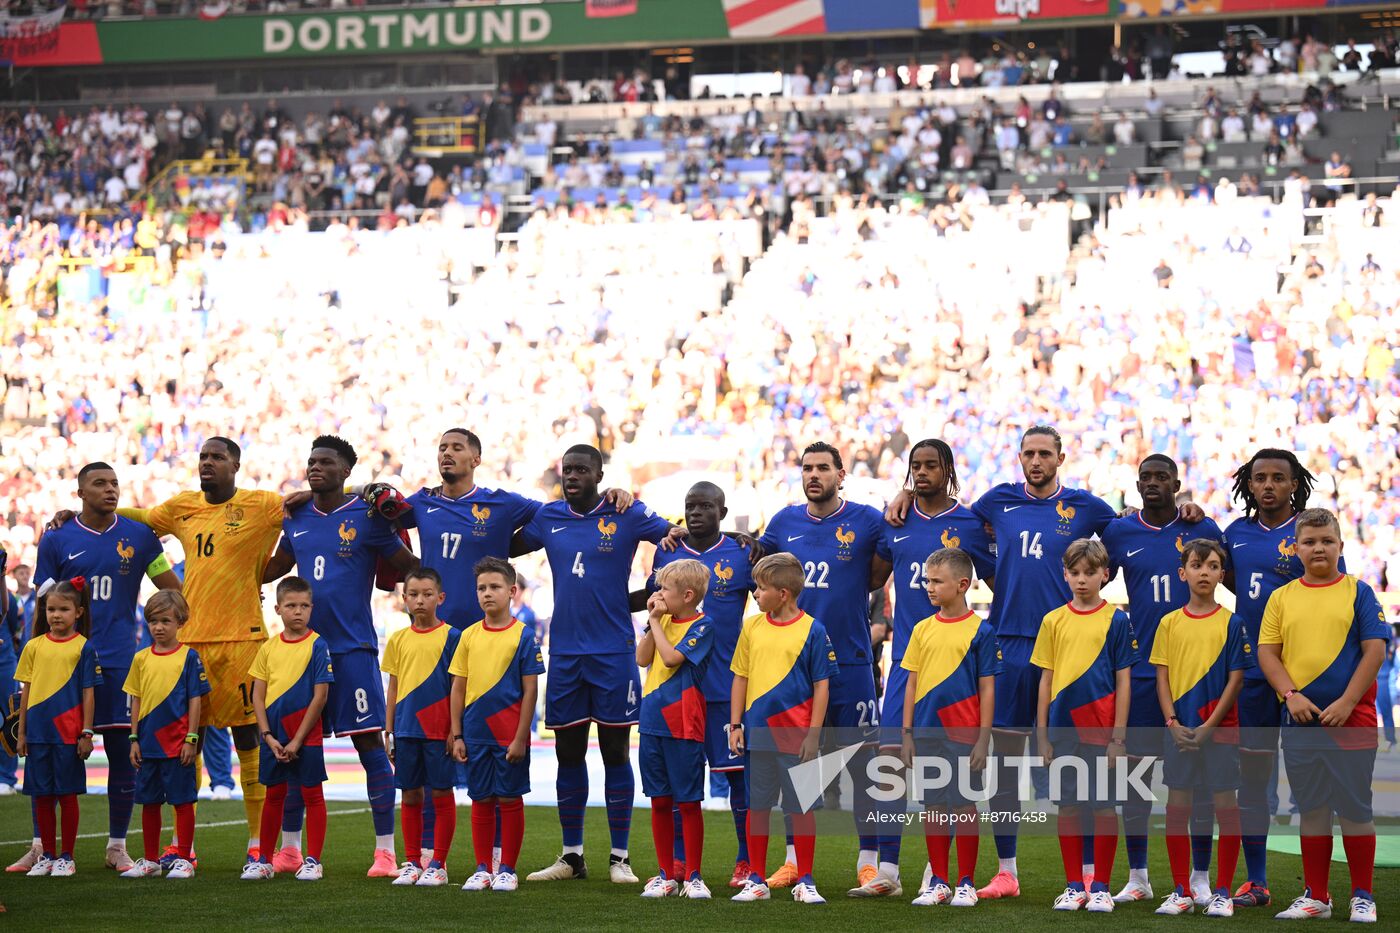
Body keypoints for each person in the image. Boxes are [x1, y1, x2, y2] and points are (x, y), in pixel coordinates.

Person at [50, 438, 288, 861]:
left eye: (217, 457)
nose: (208, 463)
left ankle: (258, 846)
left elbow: (303, 513)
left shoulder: (264, 504)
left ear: (236, 463)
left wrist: (266, 574)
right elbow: (141, 517)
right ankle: (185, 847)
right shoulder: (183, 505)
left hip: (243, 639)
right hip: (191, 639)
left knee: (248, 737)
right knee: (183, 741)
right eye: (203, 457)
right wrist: (83, 516)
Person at [515, 444, 678, 883]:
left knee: (614, 752)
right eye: (567, 469)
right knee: (568, 753)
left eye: (581, 470)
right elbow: (508, 543)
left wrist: (646, 597)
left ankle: (620, 858)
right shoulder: (549, 517)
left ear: (599, 474)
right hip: (566, 652)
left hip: (613, 652)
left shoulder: (626, 512)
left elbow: (674, 539)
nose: (572, 476)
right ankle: (572, 857)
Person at [261, 436, 419, 877]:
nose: (315, 468)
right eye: (311, 461)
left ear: (346, 471)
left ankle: (385, 852)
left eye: (325, 462)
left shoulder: (367, 517)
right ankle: (291, 850)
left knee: (369, 744)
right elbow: (277, 566)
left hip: (351, 647)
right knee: (295, 749)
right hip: (300, 653)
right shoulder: (295, 518)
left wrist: (426, 592)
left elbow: (407, 563)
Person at [29, 462, 181, 872]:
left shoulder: (139, 537)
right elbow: (43, 605)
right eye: (100, 484)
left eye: (115, 483)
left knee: (120, 753)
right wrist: (34, 659)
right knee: (50, 755)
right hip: (62, 665)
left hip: (118, 662)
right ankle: (42, 846)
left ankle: (116, 846)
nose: (110, 490)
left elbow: (170, 587)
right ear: (80, 492)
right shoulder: (57, 537)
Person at [757, 441, 894, 895]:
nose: (813, 475)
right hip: (795, 669)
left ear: (841, 475)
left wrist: (907, 496)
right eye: (807, 468)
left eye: (823, 468)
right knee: (798, 770)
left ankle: (869, 863)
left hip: (853, 661)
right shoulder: (784, 522)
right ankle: (794, 862)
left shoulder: (868, 521)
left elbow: (879, 573)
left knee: (865, 768)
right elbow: (755, 571)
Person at [1100, 454, 1225, 905]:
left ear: (1177, 483)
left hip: (1195, 677)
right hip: (1142, 674)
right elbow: (1091, 574)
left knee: (1195, 784)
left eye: (1161, 477)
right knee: (1135, 780)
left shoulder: (1202, 528)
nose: (1152, 483)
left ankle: (1198, 876)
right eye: (1145, 478)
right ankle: (1138, 876)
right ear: (1137, 485)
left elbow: (1229, 580)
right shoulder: (1118, 531)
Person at [1256, 509, 1387, 923]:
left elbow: (1375, 650)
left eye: (1327, 541)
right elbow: (1267, 653)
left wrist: (1348, 701)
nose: (1318, 548)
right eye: (1309, 542)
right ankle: (1317, 896)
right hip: (1301, 723)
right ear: (1295, 549)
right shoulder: (1282, 597)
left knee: (1354, 809)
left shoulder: (1359, 591)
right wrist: (1290, 694)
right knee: (1311, 809)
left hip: (1353, 721)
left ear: (1341, 547)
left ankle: (1362, 896)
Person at [879, 439, 995, 895]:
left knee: (955, 778)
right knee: (892, 764)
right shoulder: (894, 520)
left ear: (948, 469)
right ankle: (887, 870)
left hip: (956, 667)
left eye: (932, 465)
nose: (922, 472)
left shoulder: (969, 522)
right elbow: (871, 575)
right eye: (916, 466)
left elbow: (997, 576)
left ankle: (944, 873)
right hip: (909, 660)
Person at [1223, 449, 1328, 909]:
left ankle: (1316, 886)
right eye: (1259, 478)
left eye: (1278, 478)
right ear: (1248, 484)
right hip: (1252, 673)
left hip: (1304, 674)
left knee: (1311, 781)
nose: (1268, 485)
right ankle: (1258, 881)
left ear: (1294, 484)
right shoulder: (1235, 533)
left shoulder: (1310, 532)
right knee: (1254, 778)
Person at [641, 482, 756, 889]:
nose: (695, 513)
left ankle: (745, 860)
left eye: (705, 506)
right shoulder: (668, 550)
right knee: (676, 785)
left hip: (725, 687)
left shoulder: (744, 552)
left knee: (738, 776)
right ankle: (675, 862)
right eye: (690, 506)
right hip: (675, 692)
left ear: (722, 512)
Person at [1032, 539, 1137, 913]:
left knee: (1106, 808)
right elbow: (1045, 680)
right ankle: (1075, 885)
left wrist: (1119, 738)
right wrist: (1042, 736)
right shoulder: (1053, 620)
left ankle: (1103, 887)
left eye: (1090, 573)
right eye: (1074, 573)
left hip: (1103, 732)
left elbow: (1124, 681)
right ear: (1064, 574)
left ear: (1104, 575)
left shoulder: (1118, 620)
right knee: (1069, 807)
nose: (1081, 580)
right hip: (1063, 734)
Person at [728, 553, 837, 906]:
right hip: (758, 735)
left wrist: (814, 734)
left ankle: (805, 879)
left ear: (784, 593)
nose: (755, 594)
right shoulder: (751, 627)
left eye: (761, 589)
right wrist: (735, 725)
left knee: (801, 808)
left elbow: (823, 685)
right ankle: (756, 879)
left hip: (798, 737)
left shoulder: (813, 630)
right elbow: (740, 677)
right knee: (757, 807)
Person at [1150, 538, 1249, 918]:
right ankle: (1181, 890)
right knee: (1177, 807)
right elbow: (1162, 677)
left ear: (1222, 575)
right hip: (1178, 731)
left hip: (1220, 731)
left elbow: (1236, 680)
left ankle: (1222, 891)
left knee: (1225, 806)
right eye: (1196, 565)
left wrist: (1209, 725)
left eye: (1211, 566)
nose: (1203, 572)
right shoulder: (1169, 623)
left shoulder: (1232, 622)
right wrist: (1172, 722)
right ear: (1183, 572)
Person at [899, 546, 1000, 908]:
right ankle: (938, 881)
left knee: (964, 806)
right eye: (928, 580)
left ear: (962, 585)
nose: (929, 587)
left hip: (964, 735)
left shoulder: (981, 631)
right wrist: (906, 734)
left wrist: (983, 738)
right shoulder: (922, 629)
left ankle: (965, 882)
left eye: (936, 581)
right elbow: (911, 683)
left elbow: (987, 687)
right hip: (926, 734)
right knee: (934, 808)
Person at [449, 557, 544, 893]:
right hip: (475, 733)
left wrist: (521, 737)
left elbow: (530, 690)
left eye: (494, 587)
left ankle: (507, 869)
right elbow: (458, 687)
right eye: (481, 588)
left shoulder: (524, 636)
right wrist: (456, 733)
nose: (487, 593)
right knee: (481, 799)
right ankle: (482, 867)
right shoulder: (468, 636)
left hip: (509, 735)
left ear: (512, 591)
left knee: (509, 799)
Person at [242, 576, 333, 882]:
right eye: (291, 605)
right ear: (278, 609)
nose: (298, 611)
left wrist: (296, 740)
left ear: (312, 608)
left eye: (304, 605)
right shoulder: (268, 648)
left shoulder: (318, 645)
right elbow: (257, 694)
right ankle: (264, 860)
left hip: (305, 738)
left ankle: (313, 861)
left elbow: (320, 696)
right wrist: (267, 736)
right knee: (274, 795)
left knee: (312, 795)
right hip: (275, 738)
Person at [636, 559, 714, 900]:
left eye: (664, 589)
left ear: (687, 595)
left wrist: (655, 622)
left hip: (684, 724)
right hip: (652, 723)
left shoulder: (703, 626)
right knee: (659, 800)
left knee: (688, 802)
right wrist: (652, 622)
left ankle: (693, 875)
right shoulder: (660, 621)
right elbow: (642, 658)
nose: (658, 594)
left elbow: (669, 659)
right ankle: (666, 873)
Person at [120, 591, 209, 880]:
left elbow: (196, 700)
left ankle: (184, 858)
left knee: (182, 802)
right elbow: (135, 699)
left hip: (178, 744)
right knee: (149, 802)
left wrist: (191, 739)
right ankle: (150, 860)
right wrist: (133, 739)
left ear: (180, 622)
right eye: (154, 621)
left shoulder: (189, 657)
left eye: (166, 621)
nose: (159, 627)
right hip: (148, 745)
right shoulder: (141, 658)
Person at [16, 577, 101, 877]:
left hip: (68, 734)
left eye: (63, 609)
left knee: (66, 796)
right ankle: (47, 855)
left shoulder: (84, 648)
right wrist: (22, 733)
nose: (56, 615)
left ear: (78, 612)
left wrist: (87, 733)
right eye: (51, 609)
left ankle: (67, 856)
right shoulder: (33, 646)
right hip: (38, 735)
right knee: (41, 796)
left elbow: (88, 692)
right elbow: (26, 692)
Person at [382, 568, 462, 888]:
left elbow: (460, 687)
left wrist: (454, 731)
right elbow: (393, 687)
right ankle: (413, 862)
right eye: (413, 594)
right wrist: (389, 730)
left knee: (441, 794)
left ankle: (438, 864)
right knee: (410, 796)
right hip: (406, 731)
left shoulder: (454, 637)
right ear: (404, 599)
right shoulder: (398, 639)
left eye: (427, 594)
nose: (420, 600)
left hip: (439, 731)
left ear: (440, 598)